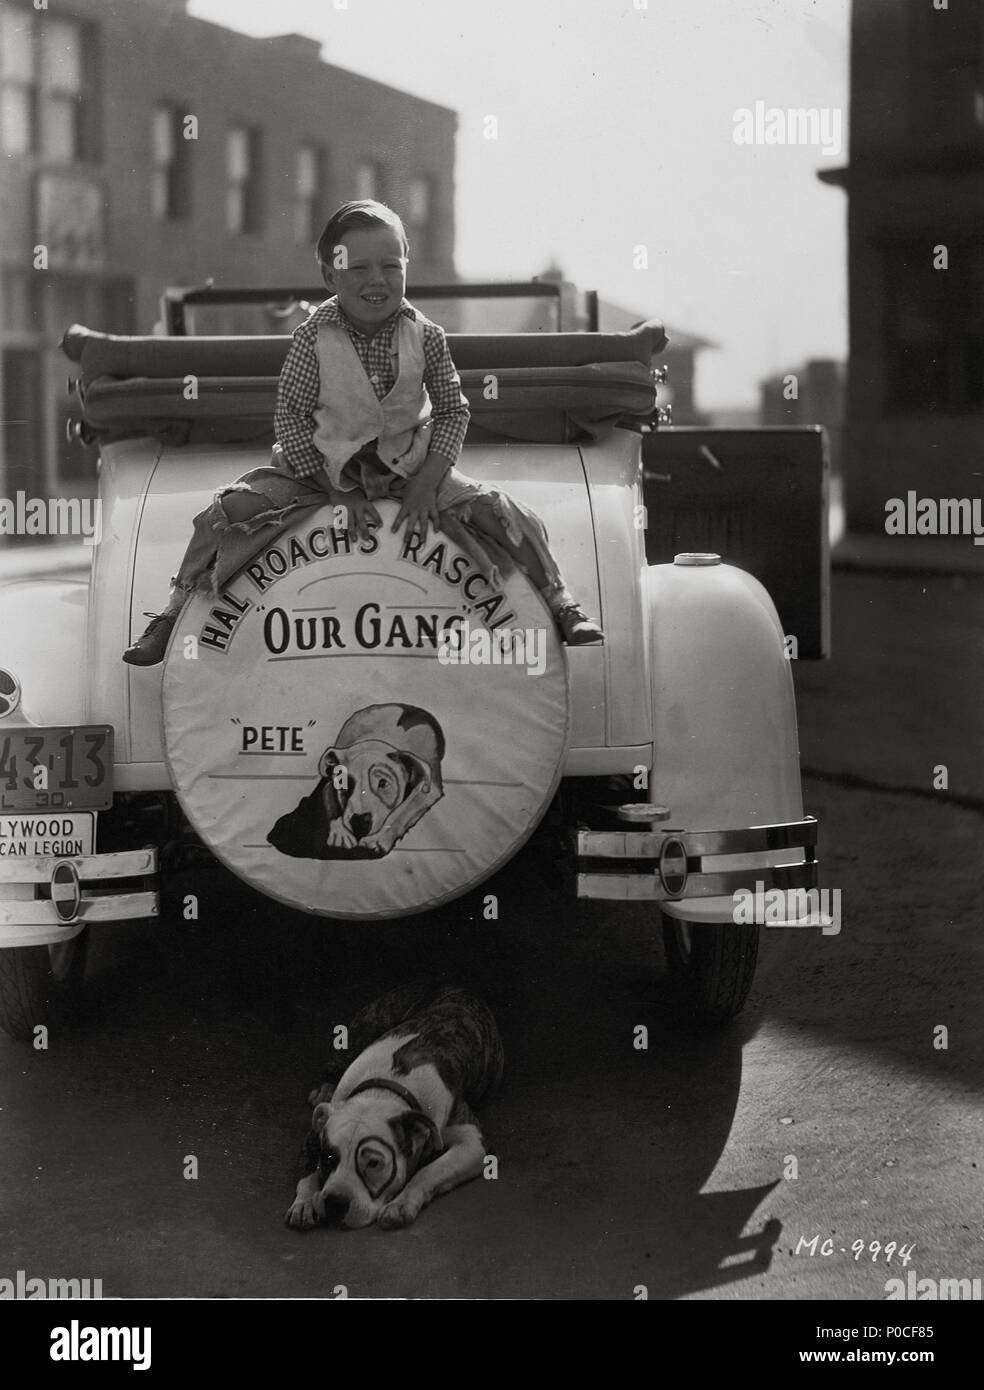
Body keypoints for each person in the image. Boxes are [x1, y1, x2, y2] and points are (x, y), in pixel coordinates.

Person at [123, 199, 604, 665]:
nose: (377, 280)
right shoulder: (312, 338)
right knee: (226, 511)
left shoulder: (427, 335)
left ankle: (560, 602)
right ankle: (170, 615)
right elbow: (291, 418)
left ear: (406, 268)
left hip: (407, 465)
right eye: (358, 268)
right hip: (317, 470)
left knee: (507, 513)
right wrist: (338, 490)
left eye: (391, 266)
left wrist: (426, 483)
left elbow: (454, 412)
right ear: (330, 275)